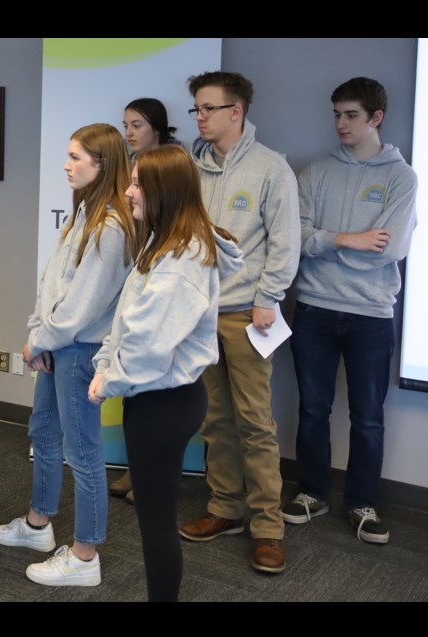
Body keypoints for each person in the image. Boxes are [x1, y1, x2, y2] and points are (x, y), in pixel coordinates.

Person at [89, 145, 242, 601]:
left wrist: (107, 380)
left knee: (156, 523)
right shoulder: (166, 240)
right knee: (154, 520)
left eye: (137, 184)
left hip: (163, 401)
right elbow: (129, 323)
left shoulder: (181, 259)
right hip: (156, 396)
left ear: (164, 191)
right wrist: (109, 368)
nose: (129, 192)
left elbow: (148, 343)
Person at [0, 124, 138, 587]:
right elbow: (53, 283)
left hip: (81, 349)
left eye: (77, 157)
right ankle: (38, 526)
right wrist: (39, 334)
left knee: (84, 452)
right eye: (68, 155)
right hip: (59, 345)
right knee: (44, 433)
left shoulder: (112, 226)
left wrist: (45, 339)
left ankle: (85, 556)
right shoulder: (84, 213)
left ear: (103, 164)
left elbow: (84, 304)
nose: (66, 164)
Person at [284, 77, 417, 544]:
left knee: (368, 416)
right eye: (337, 114)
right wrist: (346, 239)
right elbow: (294, 239)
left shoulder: (402, 177)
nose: (341, 123)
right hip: (316, 309)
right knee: (313, 409)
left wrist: (324, 242)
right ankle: (311, 493)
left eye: (351, 115)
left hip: (372, 315)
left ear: (375, 118)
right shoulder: (315, 172)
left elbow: (389, 249)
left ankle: (362, 503)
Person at [177, 71, 299, 574]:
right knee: (215, 420)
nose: (200, 118)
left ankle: (268, 527)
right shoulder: (190, 168)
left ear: (236, 112)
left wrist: (268, 298)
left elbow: (284, 243)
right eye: (196, 110)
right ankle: (224, 508)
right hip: (201, 313)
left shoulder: (272, 169)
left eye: (208, 109)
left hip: (250, 314)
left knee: (255, 422)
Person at [111, 97, 180, 505]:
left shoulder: (170, 169)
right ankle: (136, 470)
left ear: (157, 128)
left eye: (137, 124)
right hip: (134, 280)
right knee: (133, 393)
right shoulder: (127, 173)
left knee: (156, 396)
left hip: (159, 285)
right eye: (125, 125)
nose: (130, 133)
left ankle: (149, 477)